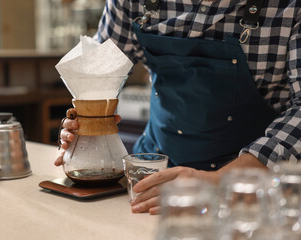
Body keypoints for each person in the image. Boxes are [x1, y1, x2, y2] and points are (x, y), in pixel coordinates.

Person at [55, 0, 301, 214]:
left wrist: (219, 182)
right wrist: (85, 126)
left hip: (250, 195)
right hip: (150, 179)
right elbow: (98, 76)